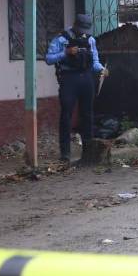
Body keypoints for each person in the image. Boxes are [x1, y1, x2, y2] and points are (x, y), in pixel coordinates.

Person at [45, 13, 105, 163]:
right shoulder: (61, 39)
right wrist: (65, 52)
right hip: (68, 78)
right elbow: (49, 59)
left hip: (86, 78)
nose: (82, 32)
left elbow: (95, 61)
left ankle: (88, 151)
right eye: (80, 29)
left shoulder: (90, 40)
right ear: (74, 24)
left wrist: (102, 69)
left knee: (88, 114)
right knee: (66, 114)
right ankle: (65, 153)